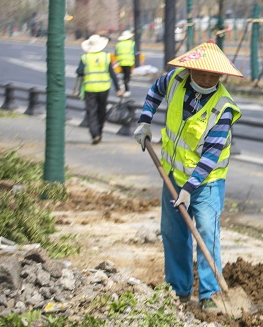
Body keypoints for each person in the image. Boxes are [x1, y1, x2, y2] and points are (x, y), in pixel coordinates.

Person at [133, 41, 243, 312]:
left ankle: (209, 294)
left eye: (213, 75)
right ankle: (178, 289)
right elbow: (154, 92)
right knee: (173, 231)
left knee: (206, 233)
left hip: (206, 183)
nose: (206, 79)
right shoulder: (175, 80)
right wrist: (145, 121)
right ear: (190, 68)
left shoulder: (223, 108)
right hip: (172, 175)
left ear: (221, 76)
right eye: (201, 73)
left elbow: (210, 157)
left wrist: (189, 189)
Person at [75, 34, 124, 145]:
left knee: (91, 112)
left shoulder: (85, 58)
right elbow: (113, 74)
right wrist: (118, 89)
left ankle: (94, 134)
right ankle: (99, 132)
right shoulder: (106, 57)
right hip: (104, 88)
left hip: (90, 89)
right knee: (101, 111)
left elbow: (79, 71)